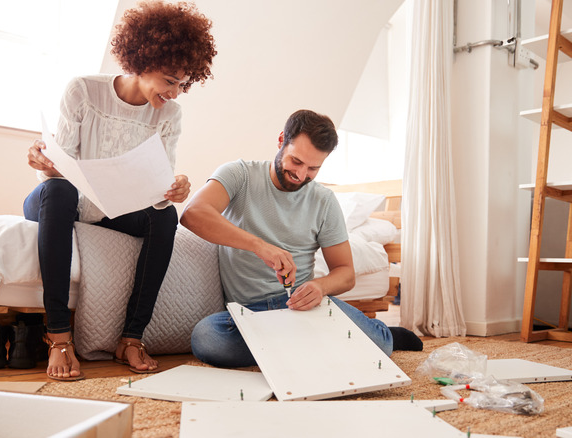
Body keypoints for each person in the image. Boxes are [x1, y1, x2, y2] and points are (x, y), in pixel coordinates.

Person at [23, 1, 216, 380]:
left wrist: (173, 189)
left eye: (183, 83)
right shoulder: (83, 91)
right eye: (169, 80)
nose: (175, 92)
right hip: (61, 200)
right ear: (142, 61)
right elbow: (61, 166)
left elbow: (157, 185)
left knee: (166, 216)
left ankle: (131, 337)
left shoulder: (170, 116)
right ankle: (59, 335)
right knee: (59, 192)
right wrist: (44, 161)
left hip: (115, 207)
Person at [180, 109, 422, 368]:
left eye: (313, 168)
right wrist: (260, 247)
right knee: (207, 338)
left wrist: (320, 287)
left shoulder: (324, 201)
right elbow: (192, 214)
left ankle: (378, 333)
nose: (301, 175)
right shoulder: (239, 175)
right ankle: (313, 346)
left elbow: (346, 273)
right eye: (296, 161)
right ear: (281, 140)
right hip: (248, 313)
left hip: (303, 308)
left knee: (381, 345)